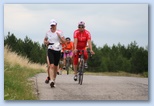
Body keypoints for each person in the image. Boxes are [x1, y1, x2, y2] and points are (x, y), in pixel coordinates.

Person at [44, 19, 65, 87]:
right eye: (51, 25)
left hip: (58, 49)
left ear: (56, 25)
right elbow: (45, 40)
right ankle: (51, 80)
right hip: (50, 48)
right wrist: (45, 42)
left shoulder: (60, 32)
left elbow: (64, 41)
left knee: (55, 66)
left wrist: (59, 37)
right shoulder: (48, 32)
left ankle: (54, 79)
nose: (53, 26)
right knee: (51, 65)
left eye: (54, 25)